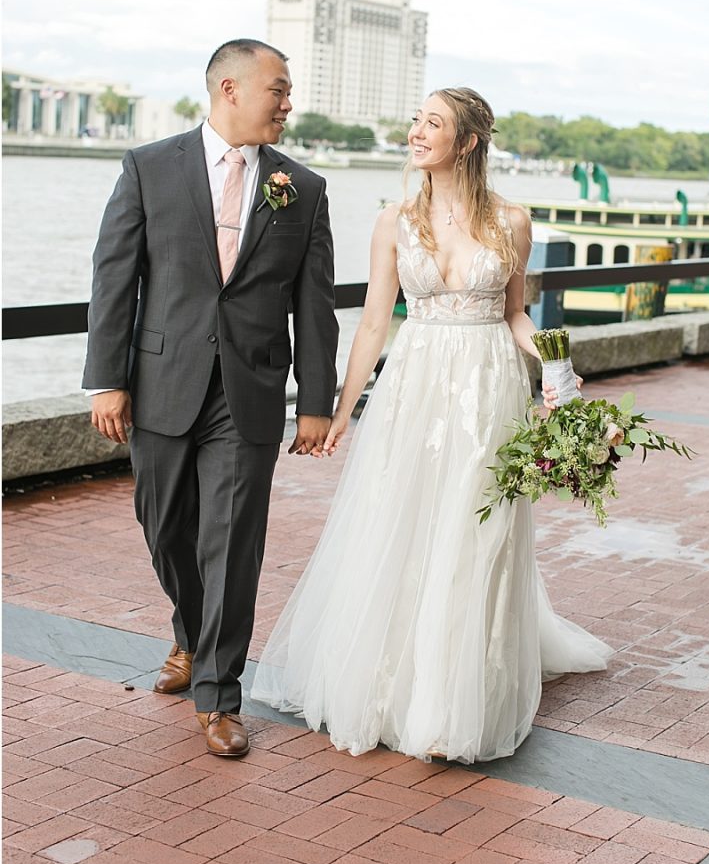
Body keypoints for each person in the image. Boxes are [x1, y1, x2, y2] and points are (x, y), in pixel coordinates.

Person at [250, 87, 612, 763]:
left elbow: (515, 315)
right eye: (415, 120)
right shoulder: (394, 221)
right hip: (412, 388)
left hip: (486, 387)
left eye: (433, 123)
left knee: (474, 531)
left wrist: (557, 369)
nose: (416, 132)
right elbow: (374, 323)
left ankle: (453, 700)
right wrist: (337, 407)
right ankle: (388, 686)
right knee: (400, 518)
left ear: (467, 142)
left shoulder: (513, 221)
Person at [84, 39, 337, 759]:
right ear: (229, 88)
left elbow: (313, 306)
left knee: (233, 544)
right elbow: (115, 279)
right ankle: (192, 634)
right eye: (278, 91)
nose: (288, 104)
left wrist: (313, 400)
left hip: (250, 392)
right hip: (160, 383)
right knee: (165, 529)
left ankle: (220, 694)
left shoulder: (303, 188)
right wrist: (108, 379)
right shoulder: (148, 167)